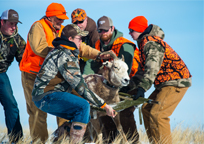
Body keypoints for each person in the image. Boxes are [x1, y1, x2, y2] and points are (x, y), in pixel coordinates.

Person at [31, 24, 116, 144]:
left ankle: (59, 138)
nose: (82, 41)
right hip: (47, 96)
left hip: (46, 96)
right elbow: (79, 86)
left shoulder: (62, 50)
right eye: (79, 39)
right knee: (83, 106)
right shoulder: (66, 55)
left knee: (84, 113)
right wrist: (104, 105)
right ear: (70, 39)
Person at [128, 16, 192, 144]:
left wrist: (142, 88)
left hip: (176, 81)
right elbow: (142, 71)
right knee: (146, 109)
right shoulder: (143, 44)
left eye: (132, 30)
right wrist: (131, 87)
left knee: (158, 114)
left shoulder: (151, 44)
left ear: (140, 29)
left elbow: (152, 69)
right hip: (165, 83)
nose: (129, 33)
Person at [83, 16, 140, 142]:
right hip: (111, 85)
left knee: (125, 114)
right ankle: (110, 141)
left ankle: (133, 141)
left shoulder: (124, 44)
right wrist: (84, 80)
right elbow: (92, 64)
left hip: (130, 83)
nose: (103, 33)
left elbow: (127, 70)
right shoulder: (98, 45)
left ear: (112, 28)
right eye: (100, 30)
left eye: (106, 30)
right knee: (104, 113)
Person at [19, 3, 69, 143]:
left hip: (52, 75)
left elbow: (78, 46)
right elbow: (38, 48)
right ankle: (39, 141)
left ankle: (63, 140)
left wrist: (97, 54)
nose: (62, 21)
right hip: (32, 74)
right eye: (59, 18)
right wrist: (57, 51)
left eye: (63, 18)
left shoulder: (63, 30)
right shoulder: (38, 26)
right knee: (37, 112)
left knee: (63, 107)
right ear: (50, 16)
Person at [0, 9, 25, 143]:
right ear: (2, 22)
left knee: (11, 105)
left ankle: (16, 140)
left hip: (0, 74)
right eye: (11, 24)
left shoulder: (17, 40)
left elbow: (24, 61)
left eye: (15, 24)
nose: (14, 27)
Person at [71, 8, 99, 73]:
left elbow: (97, 55)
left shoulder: (95, 33)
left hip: (92, 69)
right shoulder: (73, 33)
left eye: (80, 21)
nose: (78, 25)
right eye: (75, 23)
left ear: (86, 19)